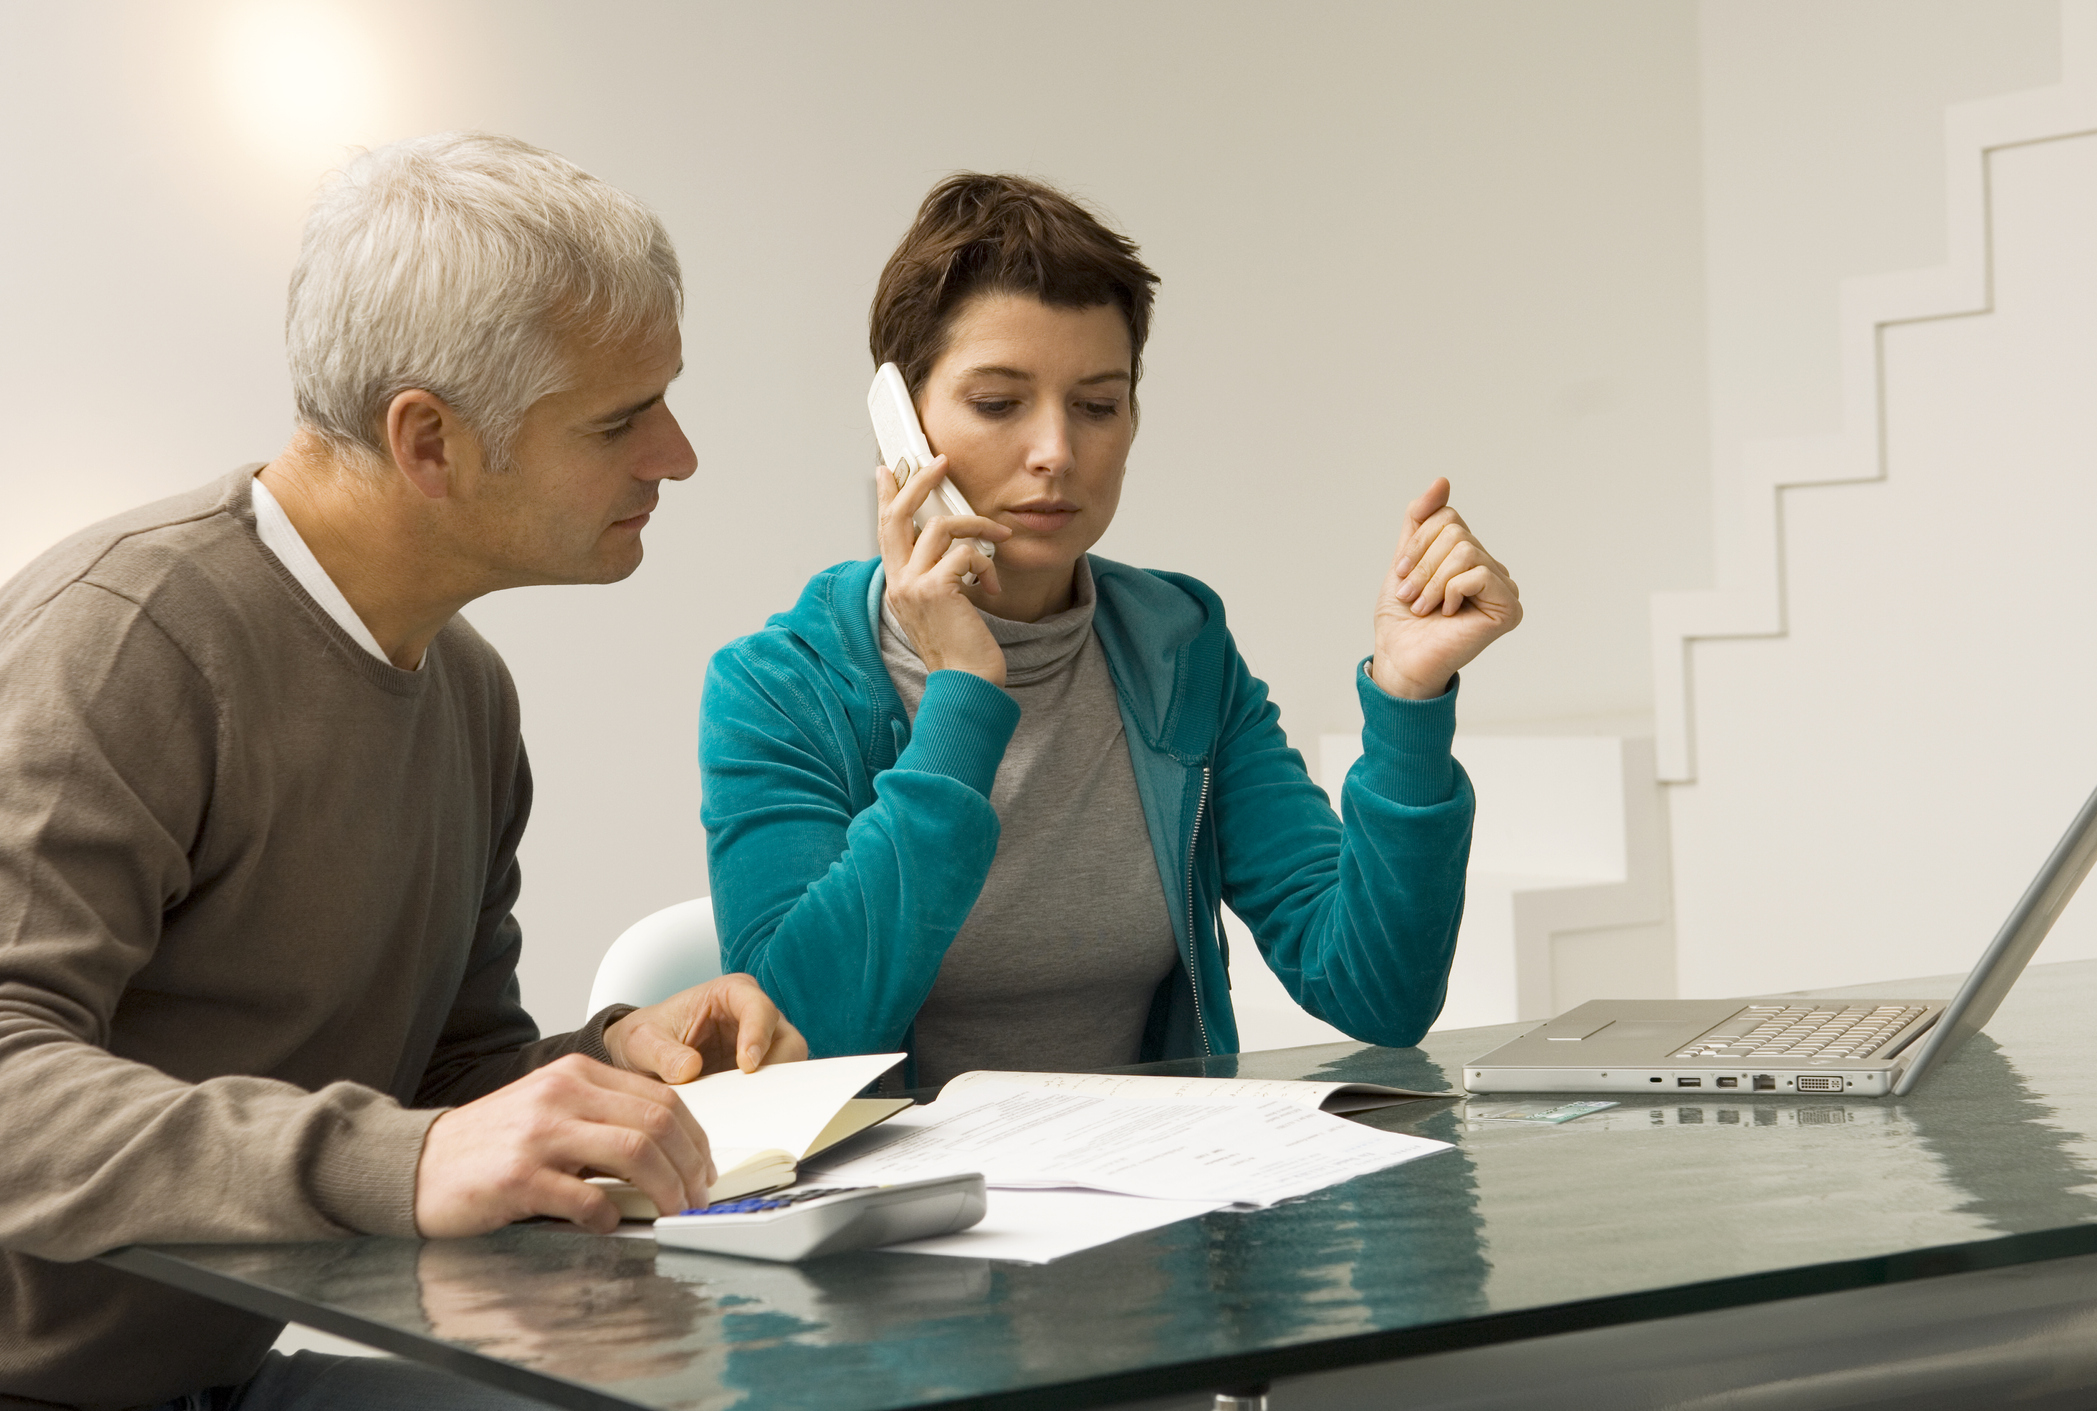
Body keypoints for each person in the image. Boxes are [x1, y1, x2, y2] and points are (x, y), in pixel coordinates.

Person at [0, 133, 805, 1409]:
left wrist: (605, 1062)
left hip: (212, 1375)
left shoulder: (469, 692)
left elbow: (435, 1078)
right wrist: (407, 1157)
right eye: (619, 419)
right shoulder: (125, 642)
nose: (677, 455)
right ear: (428, 439)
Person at [699, 173, 1521, 1089]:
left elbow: (1376, 992)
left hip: (1159, 1205)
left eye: (1097, 404)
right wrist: (963, 695)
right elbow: (793, 1041)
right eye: (999, 402)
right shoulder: (777, 686)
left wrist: (1408, 701)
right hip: (901, 1218)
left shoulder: (1179, 647)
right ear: (901, 425)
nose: (1056, 450)